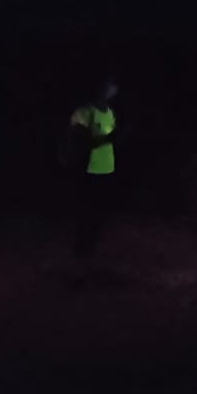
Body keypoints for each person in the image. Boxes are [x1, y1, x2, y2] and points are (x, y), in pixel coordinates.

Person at [66, 76, 119, 259]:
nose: (110, 91)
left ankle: (89, 249)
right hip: (87, 167)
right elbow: (80, 140)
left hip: (106, 167)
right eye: (107, 87)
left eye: (112, 88)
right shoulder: (84, 112)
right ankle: (80, 250)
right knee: (86, 212)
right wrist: (107, 139)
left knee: (98, 213)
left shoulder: (109, 112)